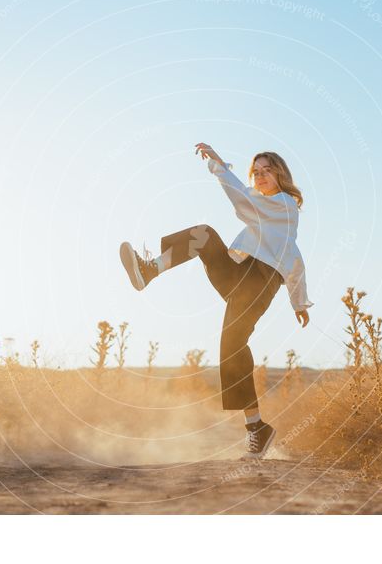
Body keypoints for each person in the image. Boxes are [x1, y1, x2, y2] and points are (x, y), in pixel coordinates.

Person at [119, 142, 313, 458]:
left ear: (280, 175)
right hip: (238, 277)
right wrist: (299, 303)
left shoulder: (285, 207)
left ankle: (257, 429)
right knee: (204, 236)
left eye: (268, 170)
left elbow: (291, 261)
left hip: (259, 283)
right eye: (257, 172)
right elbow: (295, 259)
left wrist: (219, 166)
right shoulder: (268, 216)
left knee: (231, 347)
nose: (261, 176)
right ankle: (149, 270)